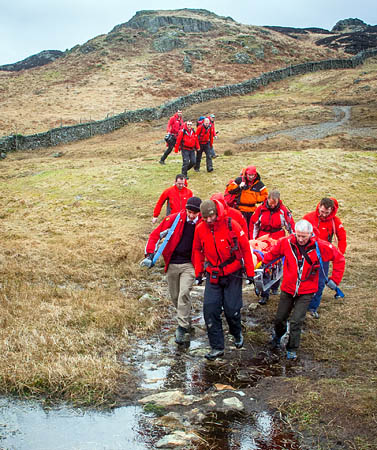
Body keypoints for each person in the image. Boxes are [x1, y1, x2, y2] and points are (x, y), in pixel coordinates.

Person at [263, 219, 345, 360]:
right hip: (288, 288)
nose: (300, 239)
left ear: (310, 234)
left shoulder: (320, 246)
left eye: (304, 236)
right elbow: (271, 254)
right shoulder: (286, 243)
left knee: (296, 321)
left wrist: (334, 280)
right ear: (294, 233)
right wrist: (260, 265)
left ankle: (292, 348)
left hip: (307, 291)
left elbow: (339, 258)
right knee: (279, 319)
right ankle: (278, 336)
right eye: (298, 235)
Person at [193, 199, 255, 360]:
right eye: (205, 217)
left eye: (211, 216)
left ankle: (236, 332)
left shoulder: (231, 225)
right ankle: (217, 347)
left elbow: (246, 249)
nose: (208, 220)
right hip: (213, 274)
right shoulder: (200, 229)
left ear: (217, 212)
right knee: (210, 310)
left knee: (231, 309)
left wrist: (250, 272)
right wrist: (198, 273)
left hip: (232, 273)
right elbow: (197, 250)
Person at [145, 197, 202, 344]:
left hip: (190, 264)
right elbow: (155, 235)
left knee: (184, 293)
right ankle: (187, 321)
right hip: (172, 263)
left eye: (194, 213)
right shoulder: (173, 220)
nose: (191, 215)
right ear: (186, 210)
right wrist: (150, 254)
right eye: (189, 212)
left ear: (199, 212)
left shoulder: (203, 223)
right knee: (175, 296)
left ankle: (182, 328)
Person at [303, 197, 347, 318]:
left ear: (332, 210)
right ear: (319, 206)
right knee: (304, 279)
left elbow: (342, 238)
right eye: (322, 212)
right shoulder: (308, 218)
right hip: (307, 254)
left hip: (324, 256)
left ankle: (312, 308)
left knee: (320, 282)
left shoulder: (335, 221)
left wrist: (338, 254)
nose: (323, 215)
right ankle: (300, 305)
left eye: (326, 213)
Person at [250, 190, 295, 304]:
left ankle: (275, 286)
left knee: (277, 264)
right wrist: (253, 240)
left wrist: (292, 241)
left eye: (274, 204)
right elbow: (254, 224)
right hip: (263, 239)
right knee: (263, 263)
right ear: (268, 200)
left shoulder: (283, 211)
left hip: (277, 239)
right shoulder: (260, 210)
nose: (272, 205)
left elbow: (290, 227)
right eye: (271, 203)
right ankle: (264, 292)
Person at [226, 165, 268, 235]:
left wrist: (256, 199)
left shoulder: (259, 184)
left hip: (252, 210)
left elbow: (265, 196)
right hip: (240, 209)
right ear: (246, 174)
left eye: (253, 175)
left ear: (255, 174)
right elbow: (230, 190)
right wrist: (239, 187)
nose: (251, 177)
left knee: (252, 229)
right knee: (242, 229)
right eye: (249, 175)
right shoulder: (239, 180)